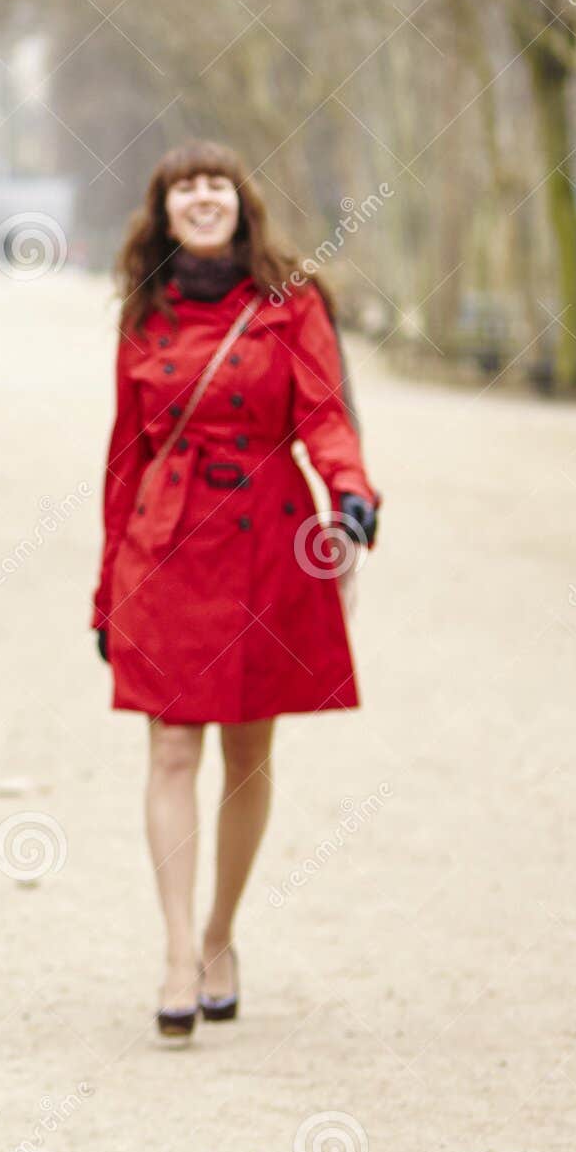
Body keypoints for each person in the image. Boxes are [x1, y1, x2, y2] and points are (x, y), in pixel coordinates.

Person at [92, 141, 378, 1040]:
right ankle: (178, 951)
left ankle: (222, 936)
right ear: (165, 212)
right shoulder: (145, 315)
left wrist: (352, 490)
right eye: (185, 188)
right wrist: (107, 591)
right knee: (172, 750)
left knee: (248, 755)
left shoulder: (293, 304)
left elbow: (326, 414)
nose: (203, 198)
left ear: (241, 203)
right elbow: (124, 458)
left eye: (216, 184)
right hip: (166, 547)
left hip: (265, 545)